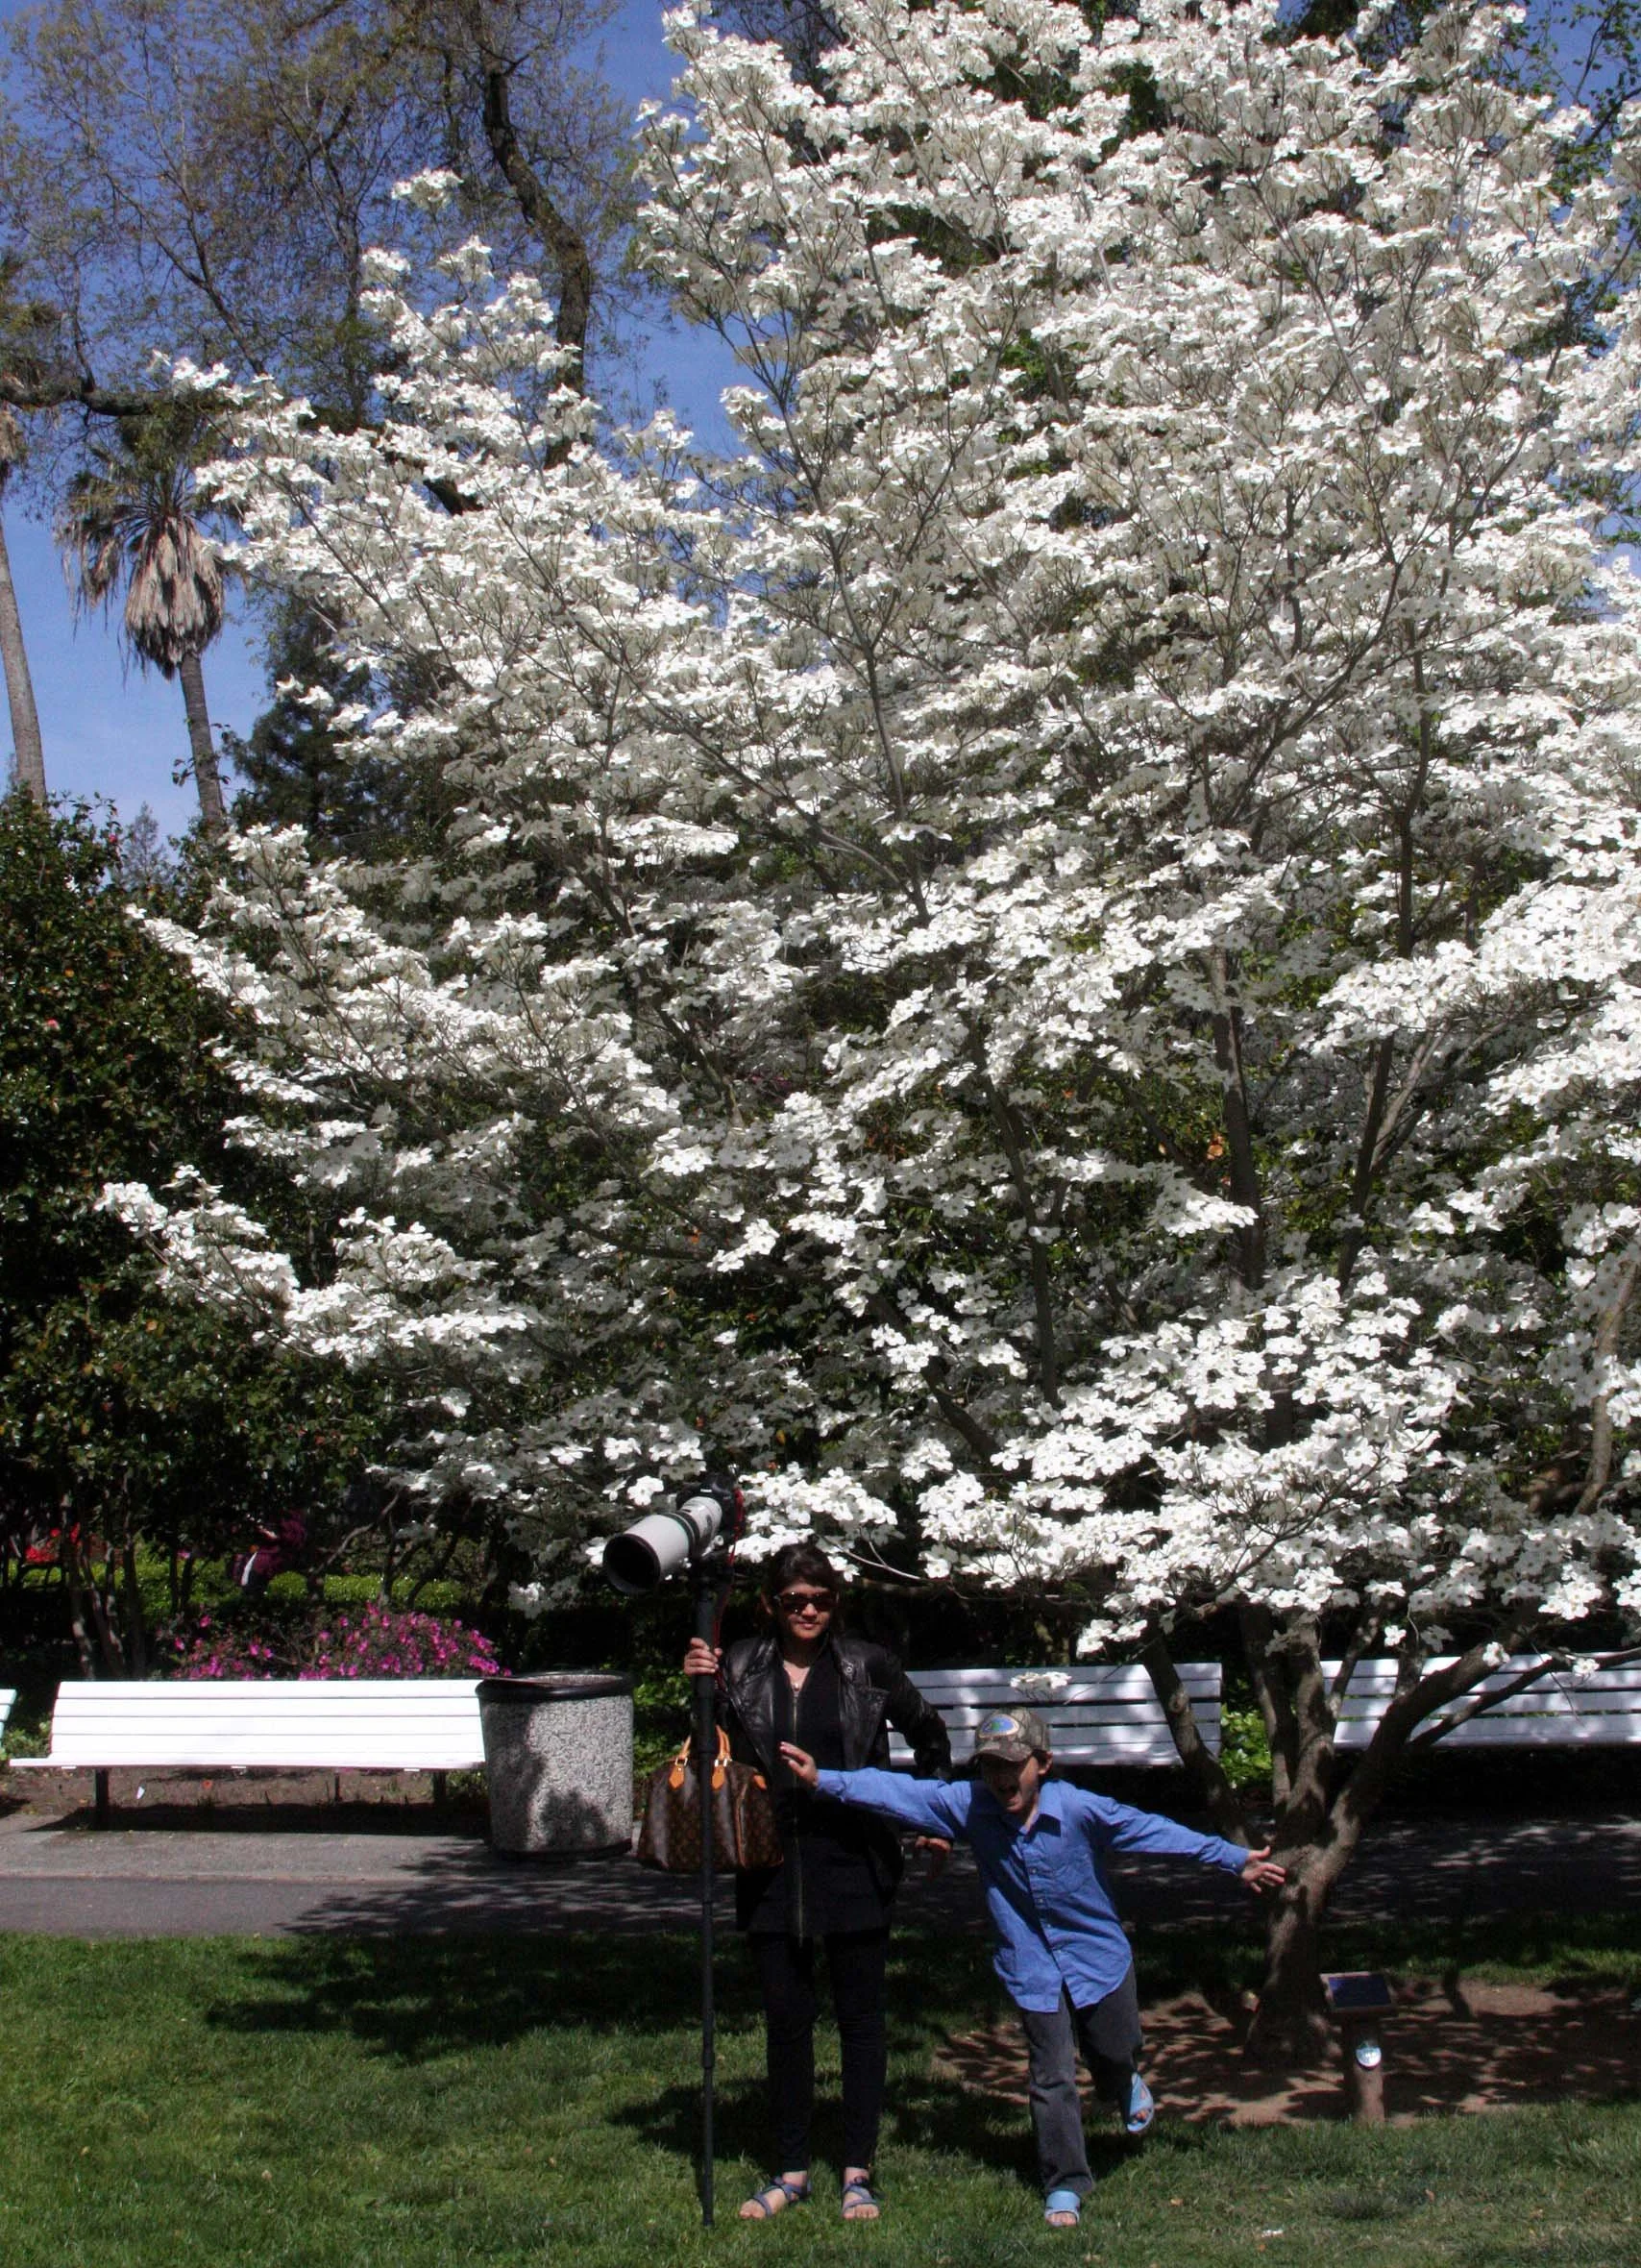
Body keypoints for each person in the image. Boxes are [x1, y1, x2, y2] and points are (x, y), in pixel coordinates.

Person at [781, 1702, 1286, 2231]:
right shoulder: (970, 1806)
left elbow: (1152, 1832)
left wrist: (1233, 1860)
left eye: (1013, 1764)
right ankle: (1065, 2182)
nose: (1001, 1777)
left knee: (1113, 2045)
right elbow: (901, 1793)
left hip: (1097, 1956)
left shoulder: (1078, 1809)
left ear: (1041, 1763)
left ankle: (1122, 2078)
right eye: (991, 1766)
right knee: (1051, 2075)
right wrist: (824, 1779)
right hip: (1030, 1964)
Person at [682, 1543, 951, 2224]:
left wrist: (931, 1813)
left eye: (821, 1600)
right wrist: (699, 1690)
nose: (808, 1611)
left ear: (836, 1604)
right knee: (787, 2022)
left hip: (855, 1858)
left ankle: (858, 2169)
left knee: (860, 2020)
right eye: (794, 1600)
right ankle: (792, 2167)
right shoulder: (740, 1664)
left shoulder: (868, 1666)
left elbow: (931, 1735)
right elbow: (706, 1754)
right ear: (771, 1604)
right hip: (770, 1862)